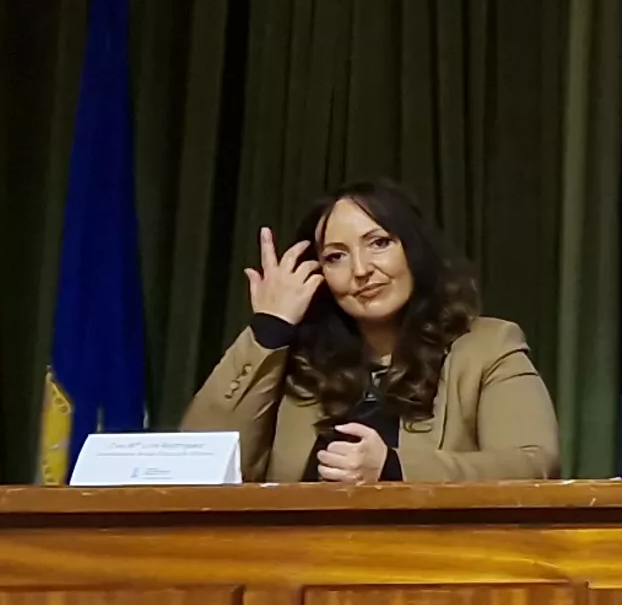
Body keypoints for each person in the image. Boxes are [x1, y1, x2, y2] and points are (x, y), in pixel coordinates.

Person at [184, 179, 561, 483]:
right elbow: (194, 465)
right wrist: (269, 329)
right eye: (336, 256)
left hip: (431, 552)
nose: (361, 270)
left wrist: (394, 469)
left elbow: (534, 464)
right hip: (300, 552)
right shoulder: (294, 362)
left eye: (379, 243)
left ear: (414, 250)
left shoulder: (489, 346)